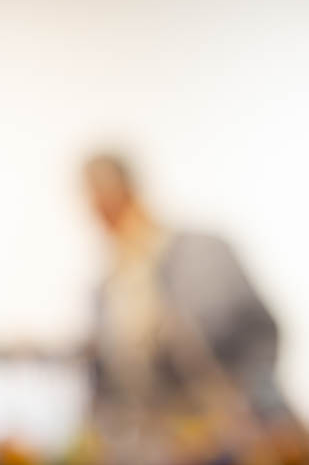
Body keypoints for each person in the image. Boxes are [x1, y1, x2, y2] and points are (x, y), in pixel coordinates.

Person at [82, 154, 281, 422]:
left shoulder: (205, 252)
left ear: (128, 191)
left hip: (245, 422)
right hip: (167, 436)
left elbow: (261, 332)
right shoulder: (108, 290)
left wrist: (252, 402)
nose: (102, 217)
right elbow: (107, 380)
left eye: (106, 203)